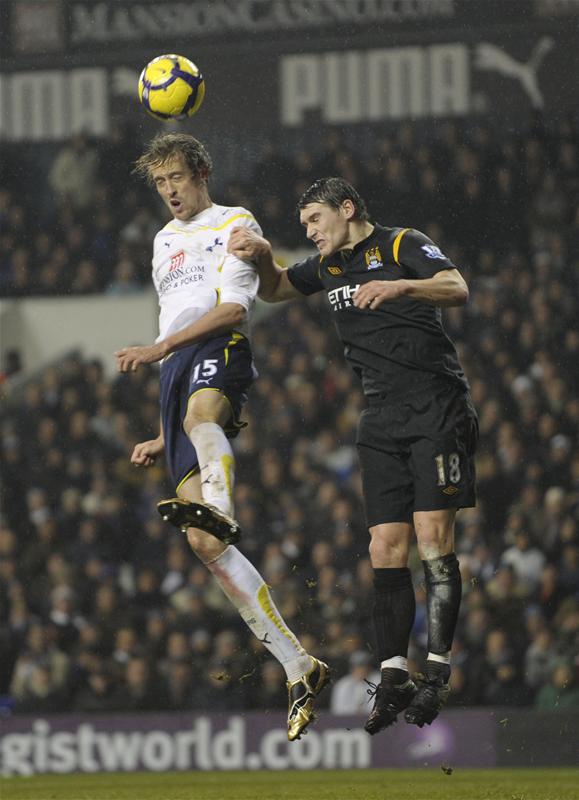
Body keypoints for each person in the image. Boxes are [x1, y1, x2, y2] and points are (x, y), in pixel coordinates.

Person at [228, 176, 478, 732]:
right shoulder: (328, 267)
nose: (311, 232)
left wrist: (402, 288)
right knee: (384, 545)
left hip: (435, 405)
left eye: (315, 220)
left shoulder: (400, 244)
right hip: (380, 416)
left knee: (433, 535)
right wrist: (265, 254)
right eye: (303, 227)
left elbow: (457, 286)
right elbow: (273, 289)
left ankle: (436, 672)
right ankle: (393, 675)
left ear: (347, 208)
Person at [114, 133, 329, 740]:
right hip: (175, 374)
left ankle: (223, 509)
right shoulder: (161, 242)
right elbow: (171, 317)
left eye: (177, 178)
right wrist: (161, 429)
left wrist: (158, 351)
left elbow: (235, 309)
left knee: (203, 420)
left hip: (218, 347)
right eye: (160, 183)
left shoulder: (234, 221)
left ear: (202, 171)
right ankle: (298, 663)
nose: (170, 191)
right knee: (203, 548)